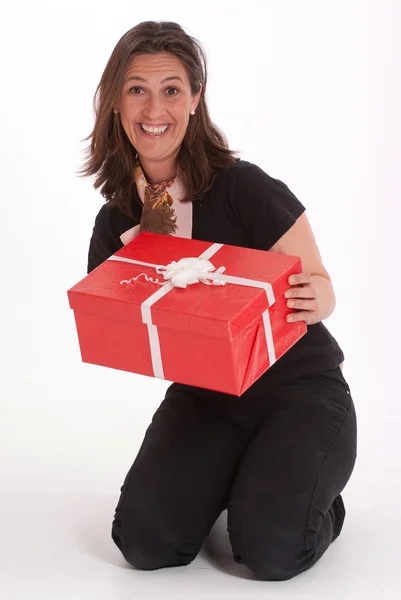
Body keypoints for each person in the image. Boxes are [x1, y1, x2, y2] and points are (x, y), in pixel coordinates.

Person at [82, 21, 357, 581]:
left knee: (271, 550)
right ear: (115, 100)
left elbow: (319, 283)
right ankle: (243, 477)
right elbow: (121, 323)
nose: (153, 107)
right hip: (207, 396)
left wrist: (321, 297)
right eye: (136, 88)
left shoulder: (243, 187)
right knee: (144, 542)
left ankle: (309, 495)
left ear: (195, 98)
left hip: (297, 389)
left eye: (172, 89)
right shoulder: (116, 222)